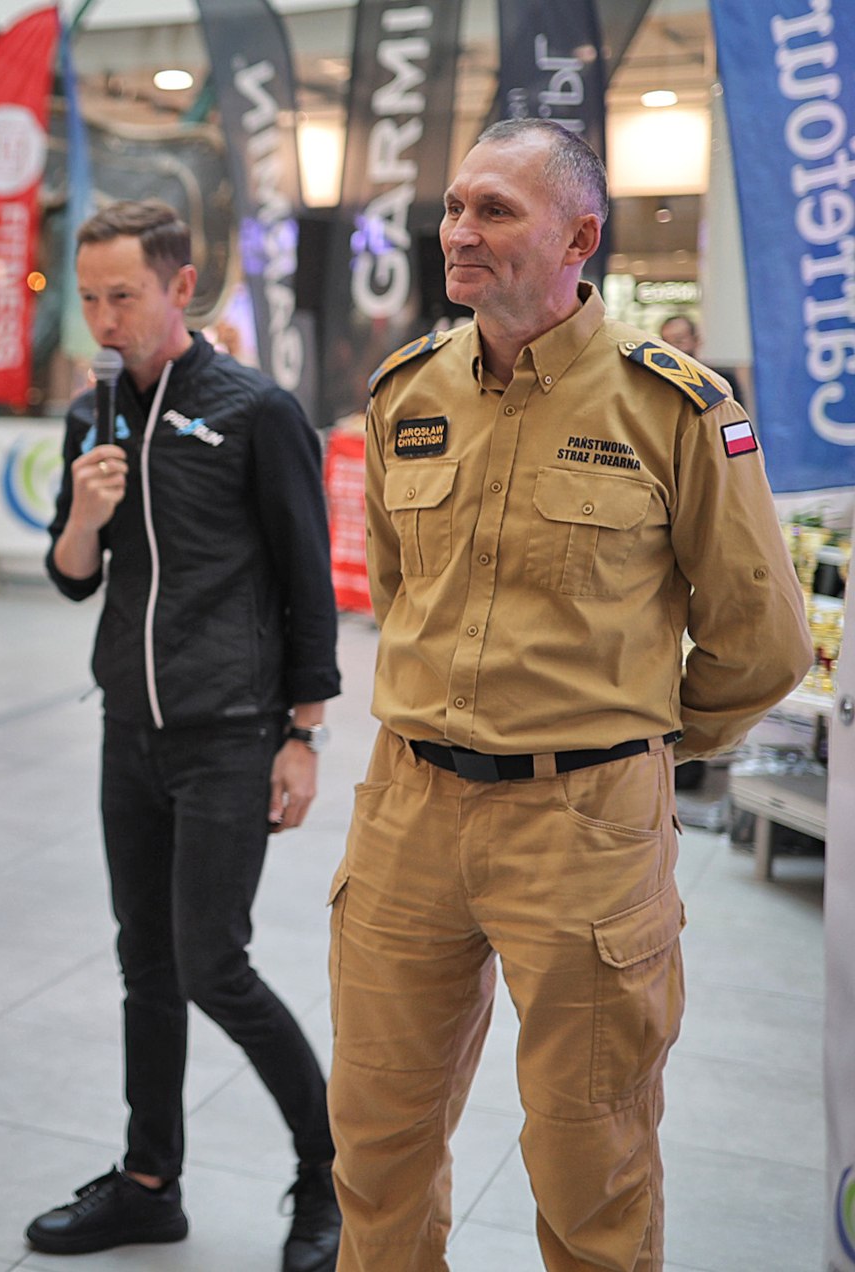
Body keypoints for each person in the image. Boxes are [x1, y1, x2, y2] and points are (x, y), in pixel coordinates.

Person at [339, 118, 811, 1271]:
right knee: (375, 1147)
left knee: (590, 1161)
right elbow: (401, 592)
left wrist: (630, 740)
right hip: (406, 810)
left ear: (580, 236)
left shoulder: (675, 407)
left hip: (584, 828)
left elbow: (764, 642)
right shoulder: (406, 391)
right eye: (455, 207)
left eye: (495, 210)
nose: (459, 232)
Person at [28, 199, 343, 1272]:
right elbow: (74, 582)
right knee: (145, 966)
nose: (104, 317)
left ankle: (328, 1172)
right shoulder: (94, 413)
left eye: (124, 295)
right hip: (131, 731)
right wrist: (82, 518)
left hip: (230, 733)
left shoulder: (255, 411)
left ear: (181, 289)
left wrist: (302, 733)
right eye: (91, 298)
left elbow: (309, 579)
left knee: (216, 965)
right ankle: (149, 1182)